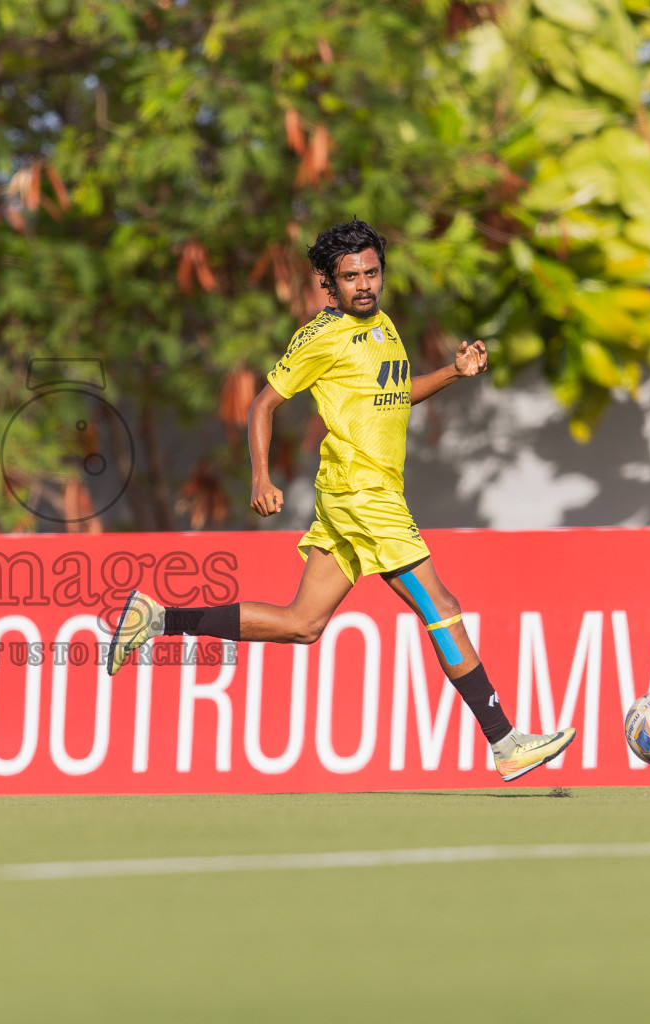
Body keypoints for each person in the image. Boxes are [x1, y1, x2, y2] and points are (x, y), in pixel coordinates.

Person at [106, 218, 575, 782]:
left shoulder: (383, 325)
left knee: (302, 624)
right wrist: (260, 477)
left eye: (371, 272)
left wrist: (454, 372)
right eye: (350, 277)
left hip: (352, 495)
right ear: (328, 283)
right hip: (363, 492)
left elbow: (395, 394)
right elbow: (263, 405)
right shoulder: (321, 337)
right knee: (441, 606)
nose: (363, 284)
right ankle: (505, 741)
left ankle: (159, 618)